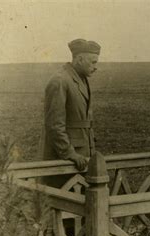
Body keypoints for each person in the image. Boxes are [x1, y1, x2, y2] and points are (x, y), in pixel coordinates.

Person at [39, 38, 101, 187]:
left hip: (82, 155)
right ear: (79, 59)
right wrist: (69, 153)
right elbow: (54, 125)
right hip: (64, 158)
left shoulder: (81, 79)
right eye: (93, 62)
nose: (95, 67)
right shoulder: (60, 81)